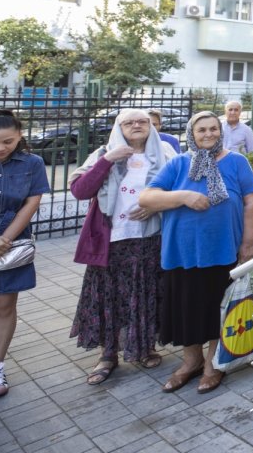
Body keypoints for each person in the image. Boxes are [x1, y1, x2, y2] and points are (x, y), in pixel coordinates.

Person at [139, 111, 253, 396]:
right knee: (185, 309)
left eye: (213, 129)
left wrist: (249, 242)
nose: (208, 134)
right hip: (181, 252)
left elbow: (252, 200)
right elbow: (147, 197)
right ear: (191, 134)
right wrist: (183, 196)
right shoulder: (179, 164)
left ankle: (212, 365)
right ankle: (190, 361)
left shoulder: (236, 161)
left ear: (220, 132)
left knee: (217, 309)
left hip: (222, 250)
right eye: (201, 130)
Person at [69, 109, 177, 385]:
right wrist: (107, 161)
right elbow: (80, 190)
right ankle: (108, 354)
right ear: (119, 127)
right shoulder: (104, 152)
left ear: (151, 126)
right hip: (111, 241)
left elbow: (181, 189)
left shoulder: (163, 152)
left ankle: (144, 347)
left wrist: (155, 205)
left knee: (145, 293)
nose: (136, 125)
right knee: (110, 297)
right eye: (128, 122)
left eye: (142, 121)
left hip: (149, 238)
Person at [0, 110, 49, 400]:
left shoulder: (33, 163)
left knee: (2, 308)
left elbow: (32, 202)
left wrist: (3, 241)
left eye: (7, 141)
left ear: (19, 135)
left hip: (11, 247)